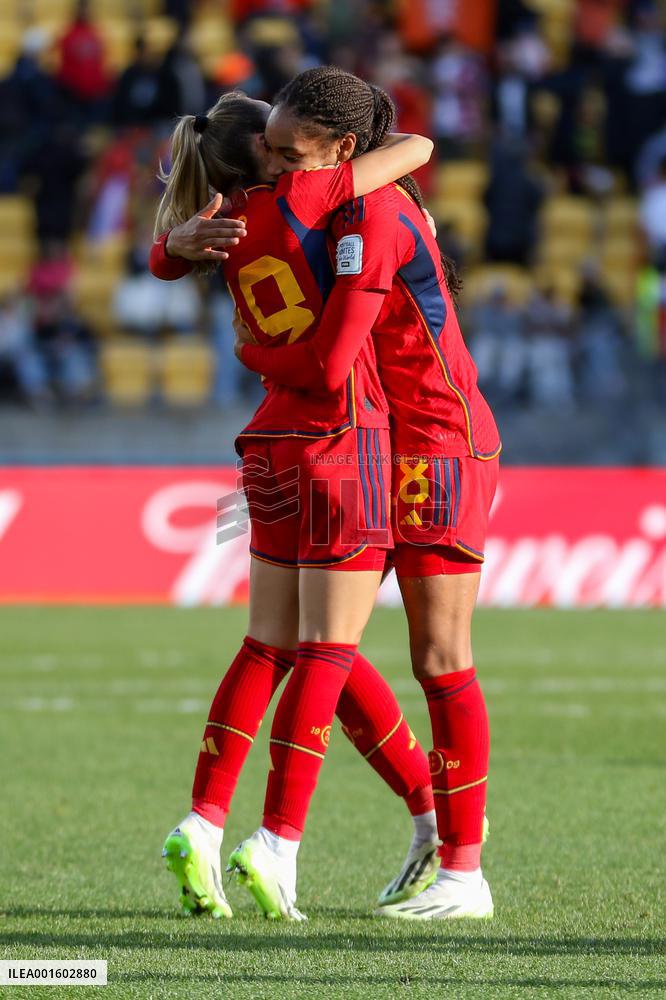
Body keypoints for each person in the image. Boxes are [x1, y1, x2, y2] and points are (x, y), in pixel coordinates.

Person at [151, 84, 440, 920]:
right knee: (326, 650)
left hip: (268, 444)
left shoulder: (221, 227)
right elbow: (414, 148)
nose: (292, 155)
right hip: (342, 438)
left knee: (269, 645)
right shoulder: (307, 194)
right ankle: (278, 841)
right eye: (281, 147)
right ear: (270, 156)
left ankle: (204, 823)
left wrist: (172, 245)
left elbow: (164, 262)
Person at [231, 66, 500, 921]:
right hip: (372, 442)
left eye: (285, 151)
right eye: (266, 149)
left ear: (341, 149)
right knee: (325, 642)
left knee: (438, 657)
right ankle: (428, 819)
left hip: (435, 445)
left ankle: (465, 871)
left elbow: (334, 359)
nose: (272, 164)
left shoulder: (373, 213)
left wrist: (257, 357)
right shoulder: (343, 203)